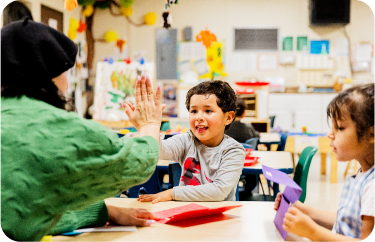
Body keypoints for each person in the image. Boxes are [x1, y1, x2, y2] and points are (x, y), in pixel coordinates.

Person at [1, 19, 164, 241]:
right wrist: (150, 125)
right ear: (52, 75)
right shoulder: (58, 127)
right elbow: (139, 161)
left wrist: (107, 212)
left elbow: (25, 216)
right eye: (65, 72)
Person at [274, 83, 374, 241]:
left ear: (371, 134)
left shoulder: (372, 185)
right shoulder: (363, 174)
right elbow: (347, 222)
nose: (330, 134)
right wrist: (303, 210)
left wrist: (312, 232)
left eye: (340, 128)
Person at [127, 80, 245, 203]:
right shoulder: (188, 140)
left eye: (208, 111)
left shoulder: (234, 151)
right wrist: (147, 126)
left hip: (220, 216)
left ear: (228, 117)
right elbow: (159, 151)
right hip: (186, 213)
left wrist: (172, 193)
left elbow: (218, 191)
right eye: (194, 111)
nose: (199, 117)